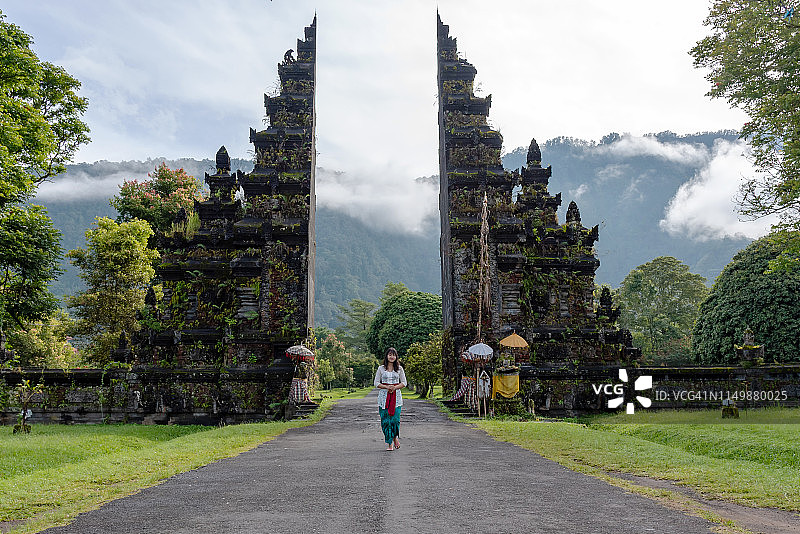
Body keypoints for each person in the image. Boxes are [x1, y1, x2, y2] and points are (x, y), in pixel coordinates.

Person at [373, 347, 407, 451]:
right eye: (390, 355)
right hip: (384, 397)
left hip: (396, 397)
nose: (392, 357)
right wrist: (387, 387)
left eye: (394, 355)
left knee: (395, 420)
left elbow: (404, 383)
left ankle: (395, 437)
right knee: (386, 421)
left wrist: (394, 387)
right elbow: (376, 383)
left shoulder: (399, 369)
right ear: (387, 356)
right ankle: (389, 443)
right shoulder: (381, 368)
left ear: (396, 357)